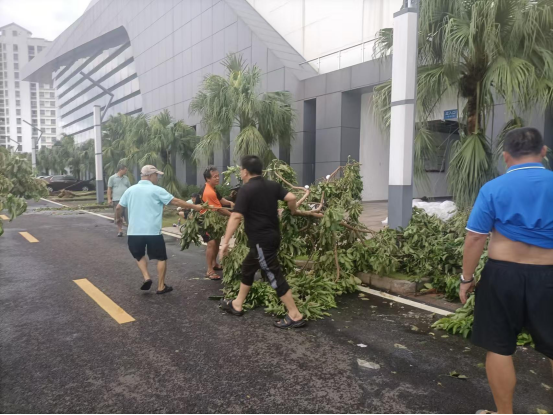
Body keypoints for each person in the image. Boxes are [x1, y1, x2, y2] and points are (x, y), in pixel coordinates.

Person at [460, 128, 553, 415]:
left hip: (502, 277)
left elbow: (475, 238)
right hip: (549, 275)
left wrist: (466, 279)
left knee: (499, 347)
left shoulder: (493, 188)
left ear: (505, 156)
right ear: (543, 152)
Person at [219, 155, 306, 329]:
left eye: (240, 170)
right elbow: (291, 198)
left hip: (261, 241)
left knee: (273, 274)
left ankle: (295, 315)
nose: (240, 173)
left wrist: (225, 242)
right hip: (272, 237)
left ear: (245, 171)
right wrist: (293, 211)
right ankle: (237, 304)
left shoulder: (246, 190)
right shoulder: (272, 185)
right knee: (248, 267)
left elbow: (236, 216)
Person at [116, 165, 201, 294]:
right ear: (150, 176)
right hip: (153, 232)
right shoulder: (157, 190)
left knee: (139, 255)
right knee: (161, 258)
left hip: (134, 232)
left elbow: (118, 208)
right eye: (156, 175)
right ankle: (161, 286)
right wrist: (195, 207)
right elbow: (176, 201)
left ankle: (146, 277)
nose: (158, 178)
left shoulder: (130, 190)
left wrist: (118, 219)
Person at [198, 167, 234, 281]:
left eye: (218, 176)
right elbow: (220, 209)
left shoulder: (213, 188)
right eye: (215, 177)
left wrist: (230, 203)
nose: (218, 178)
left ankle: (214, 264)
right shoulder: (208, 191)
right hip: (204, 220)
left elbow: (221, 200)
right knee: (211, 243)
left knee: (217, 240)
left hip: (213, 219)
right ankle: (209, 270)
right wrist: (233, 216)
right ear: (208, 179)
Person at [107, 164, 131, 237]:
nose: (126, 171)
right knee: (118, 216)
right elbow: (109, 189)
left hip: (126, 200)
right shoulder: (112, 178)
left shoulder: (126, 178)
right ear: (120, 170)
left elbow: (129, 188)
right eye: (125, 170)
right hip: (117, 200)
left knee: (128, 215)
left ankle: (130, 230)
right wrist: (109, 199)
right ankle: (120, 230)